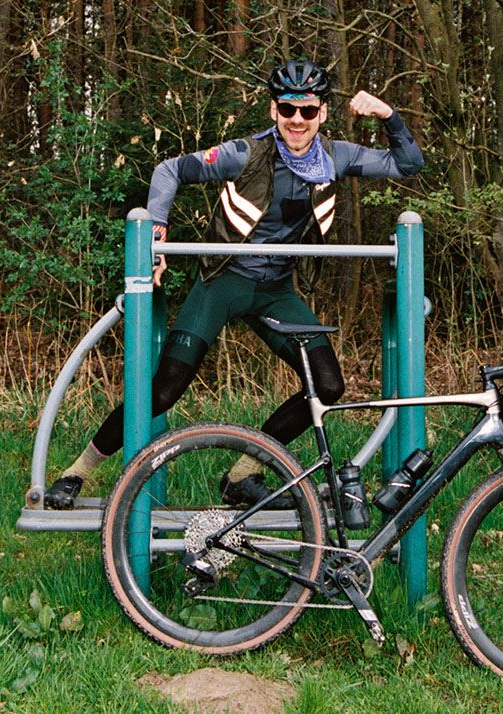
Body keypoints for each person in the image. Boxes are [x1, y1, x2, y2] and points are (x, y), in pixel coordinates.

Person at [44, 59, 424, 510]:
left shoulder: (336, 156)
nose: (296, 121)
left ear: (322, 113)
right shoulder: (244, 153)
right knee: (164, 389)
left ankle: (243, 477)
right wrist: (156, 239)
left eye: (307, 111)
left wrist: (387, 115)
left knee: (327, 385)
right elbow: (170, 170)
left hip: (277, 290)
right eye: (287, 109)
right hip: (224, 282)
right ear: (273, 111)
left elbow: (407, 164)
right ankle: (76, 471)